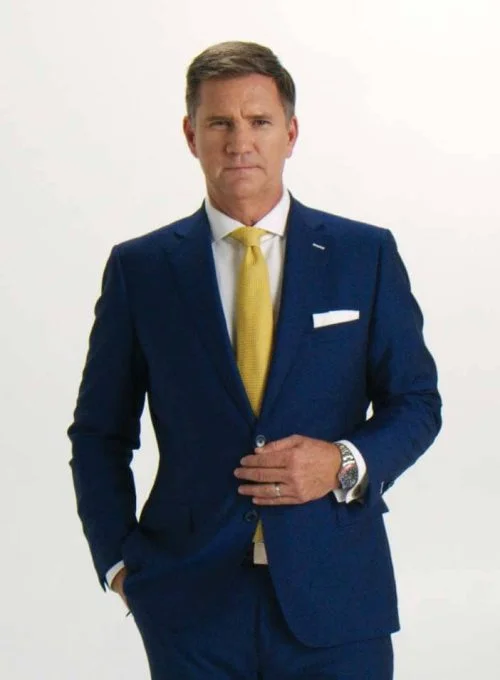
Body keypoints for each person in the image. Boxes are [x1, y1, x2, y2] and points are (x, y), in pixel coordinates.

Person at [67, 41, 442, 680]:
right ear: (191, 135)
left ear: (290, 133)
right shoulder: (142, 270)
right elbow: (99, 434)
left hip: (338, 598)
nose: (240, 141)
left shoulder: (364, 254)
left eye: (259, 121)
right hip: (189, 606)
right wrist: (121, 566)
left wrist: (343, 462)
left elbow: (416, 403)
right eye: (220, 122)